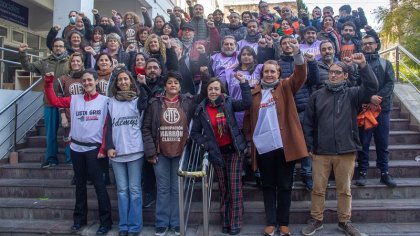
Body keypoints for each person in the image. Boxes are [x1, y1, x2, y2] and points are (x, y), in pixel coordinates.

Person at [301, 54, 378, 236]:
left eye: (337, 72)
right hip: (321, 151)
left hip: (346, 150)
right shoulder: (317, 96)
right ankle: (317, 220)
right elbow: (308, 123)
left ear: (345, 75)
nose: (333, 75)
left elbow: (372, 87)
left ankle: (344, 221)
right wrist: (310, 145)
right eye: (331, 72)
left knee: (345, 189)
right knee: (318, 189)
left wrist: (364, 66)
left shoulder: (353, 94)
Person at [243, 39, 308, 236]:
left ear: (279, 73)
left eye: (273, 71)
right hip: (263, 147)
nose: (269, 74)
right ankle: (271, 222)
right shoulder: (254, 93)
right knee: (268, 185)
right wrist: (248, 141)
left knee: (285, 185)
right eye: (266, 72)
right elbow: (248, 119)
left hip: (284, 146)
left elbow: (300, 74)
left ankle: (284, 222)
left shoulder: (286, 87)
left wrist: (297, 53)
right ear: (262, 74)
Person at [44, 69, 113, 235]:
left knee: (100, 187)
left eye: (90, 80)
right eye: (84, 81)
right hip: (76, 148)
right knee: (80, 187)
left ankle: (106, 222)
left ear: (96, 81)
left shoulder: (105, 101)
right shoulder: (74, 99)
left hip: (96, 150)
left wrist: (104, 148)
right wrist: (48, 83)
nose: (87, 83)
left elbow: (107, 128)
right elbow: (53, 100)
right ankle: (79, 220)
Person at [142, 71, 202, 236]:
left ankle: (176, 223)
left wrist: (203, 71)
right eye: (170, 83)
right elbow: (146, 129)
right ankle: (161, 223)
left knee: (177, 189)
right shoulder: (155, 103)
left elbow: (204, 95)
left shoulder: (187, 102)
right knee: (162, 189)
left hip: (181, 152)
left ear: (180, 86)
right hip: (160, 153)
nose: (173, 85)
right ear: (165, 85)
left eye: (176, 83)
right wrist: (150, 152)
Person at [191, 75, 251, 235]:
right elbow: (195, 132)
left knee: (234, 187)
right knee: (224, 188)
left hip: (234, 151)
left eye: (216, 88)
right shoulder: (201, 109)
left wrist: (244, 83)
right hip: (217, 153)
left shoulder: (228, 101)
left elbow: (247, 103)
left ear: (221, 90)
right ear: (206, 91)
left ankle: (235, 222)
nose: (213, 91)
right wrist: (207, 144)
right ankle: (225, 221)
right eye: (210, 89)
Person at [106, 70, 148, 236]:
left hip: (135, 151)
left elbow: (148, 99)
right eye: (120, 79)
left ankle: (135, 225)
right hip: (117, 153)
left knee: (135, 190)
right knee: (122, 190)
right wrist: (109, 146)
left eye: (126, 79)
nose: (123, 81)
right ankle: (124, 225)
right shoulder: (109, 102)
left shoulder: (137, 101)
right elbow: (107, 127)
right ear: (116, 83)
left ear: (131, 82)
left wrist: (143, 84)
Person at [18, 39, 70, 168]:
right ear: (52, 48)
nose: (58, 48)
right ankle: (51, 159)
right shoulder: (45, 62)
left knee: (68, 133)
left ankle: (70, 159)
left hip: (65, 103)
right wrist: (23, 54)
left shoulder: (70, 62)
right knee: (50, 133)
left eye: (61, 46)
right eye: (56, 46)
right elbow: (28, 67)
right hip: (49, 103)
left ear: (64, 48)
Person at [355, 35, 397, 187]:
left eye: (370, 43)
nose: (367, 46)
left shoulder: (385, 63)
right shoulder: (357, 64)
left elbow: (390, 83)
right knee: (364, 142)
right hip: (365, 109)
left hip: (383, 109)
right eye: (364, 44)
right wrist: (369, 97)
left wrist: (377, 98)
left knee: (382, 142)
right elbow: (356, 84)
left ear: (376, 45)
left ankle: (384, 173)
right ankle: (362, 172)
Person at [56, 52, 86, 168]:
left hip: (84, 115)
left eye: (78, 61)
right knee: (68, 139)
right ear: (70, 63)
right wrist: (63, 116)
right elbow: (60, 99)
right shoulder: (63, 79)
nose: (75, 63)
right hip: (68, 115)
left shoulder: (86, 77)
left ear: (82, 63)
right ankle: (70, 161)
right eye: (73, 61)